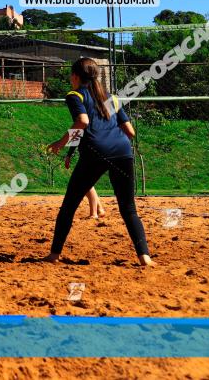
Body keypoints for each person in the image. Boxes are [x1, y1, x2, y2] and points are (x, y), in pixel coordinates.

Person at [46, 57, 152, 266]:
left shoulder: (74, 95)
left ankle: (54, 255)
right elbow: (130, 132)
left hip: (96, 153)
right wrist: (74, 151)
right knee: (128, 208)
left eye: (71, 75)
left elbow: (83, 122)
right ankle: (145, 258)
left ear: (75, 77)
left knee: (69, 207)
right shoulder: (111, 98)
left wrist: (61, 143)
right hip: (122, 151)